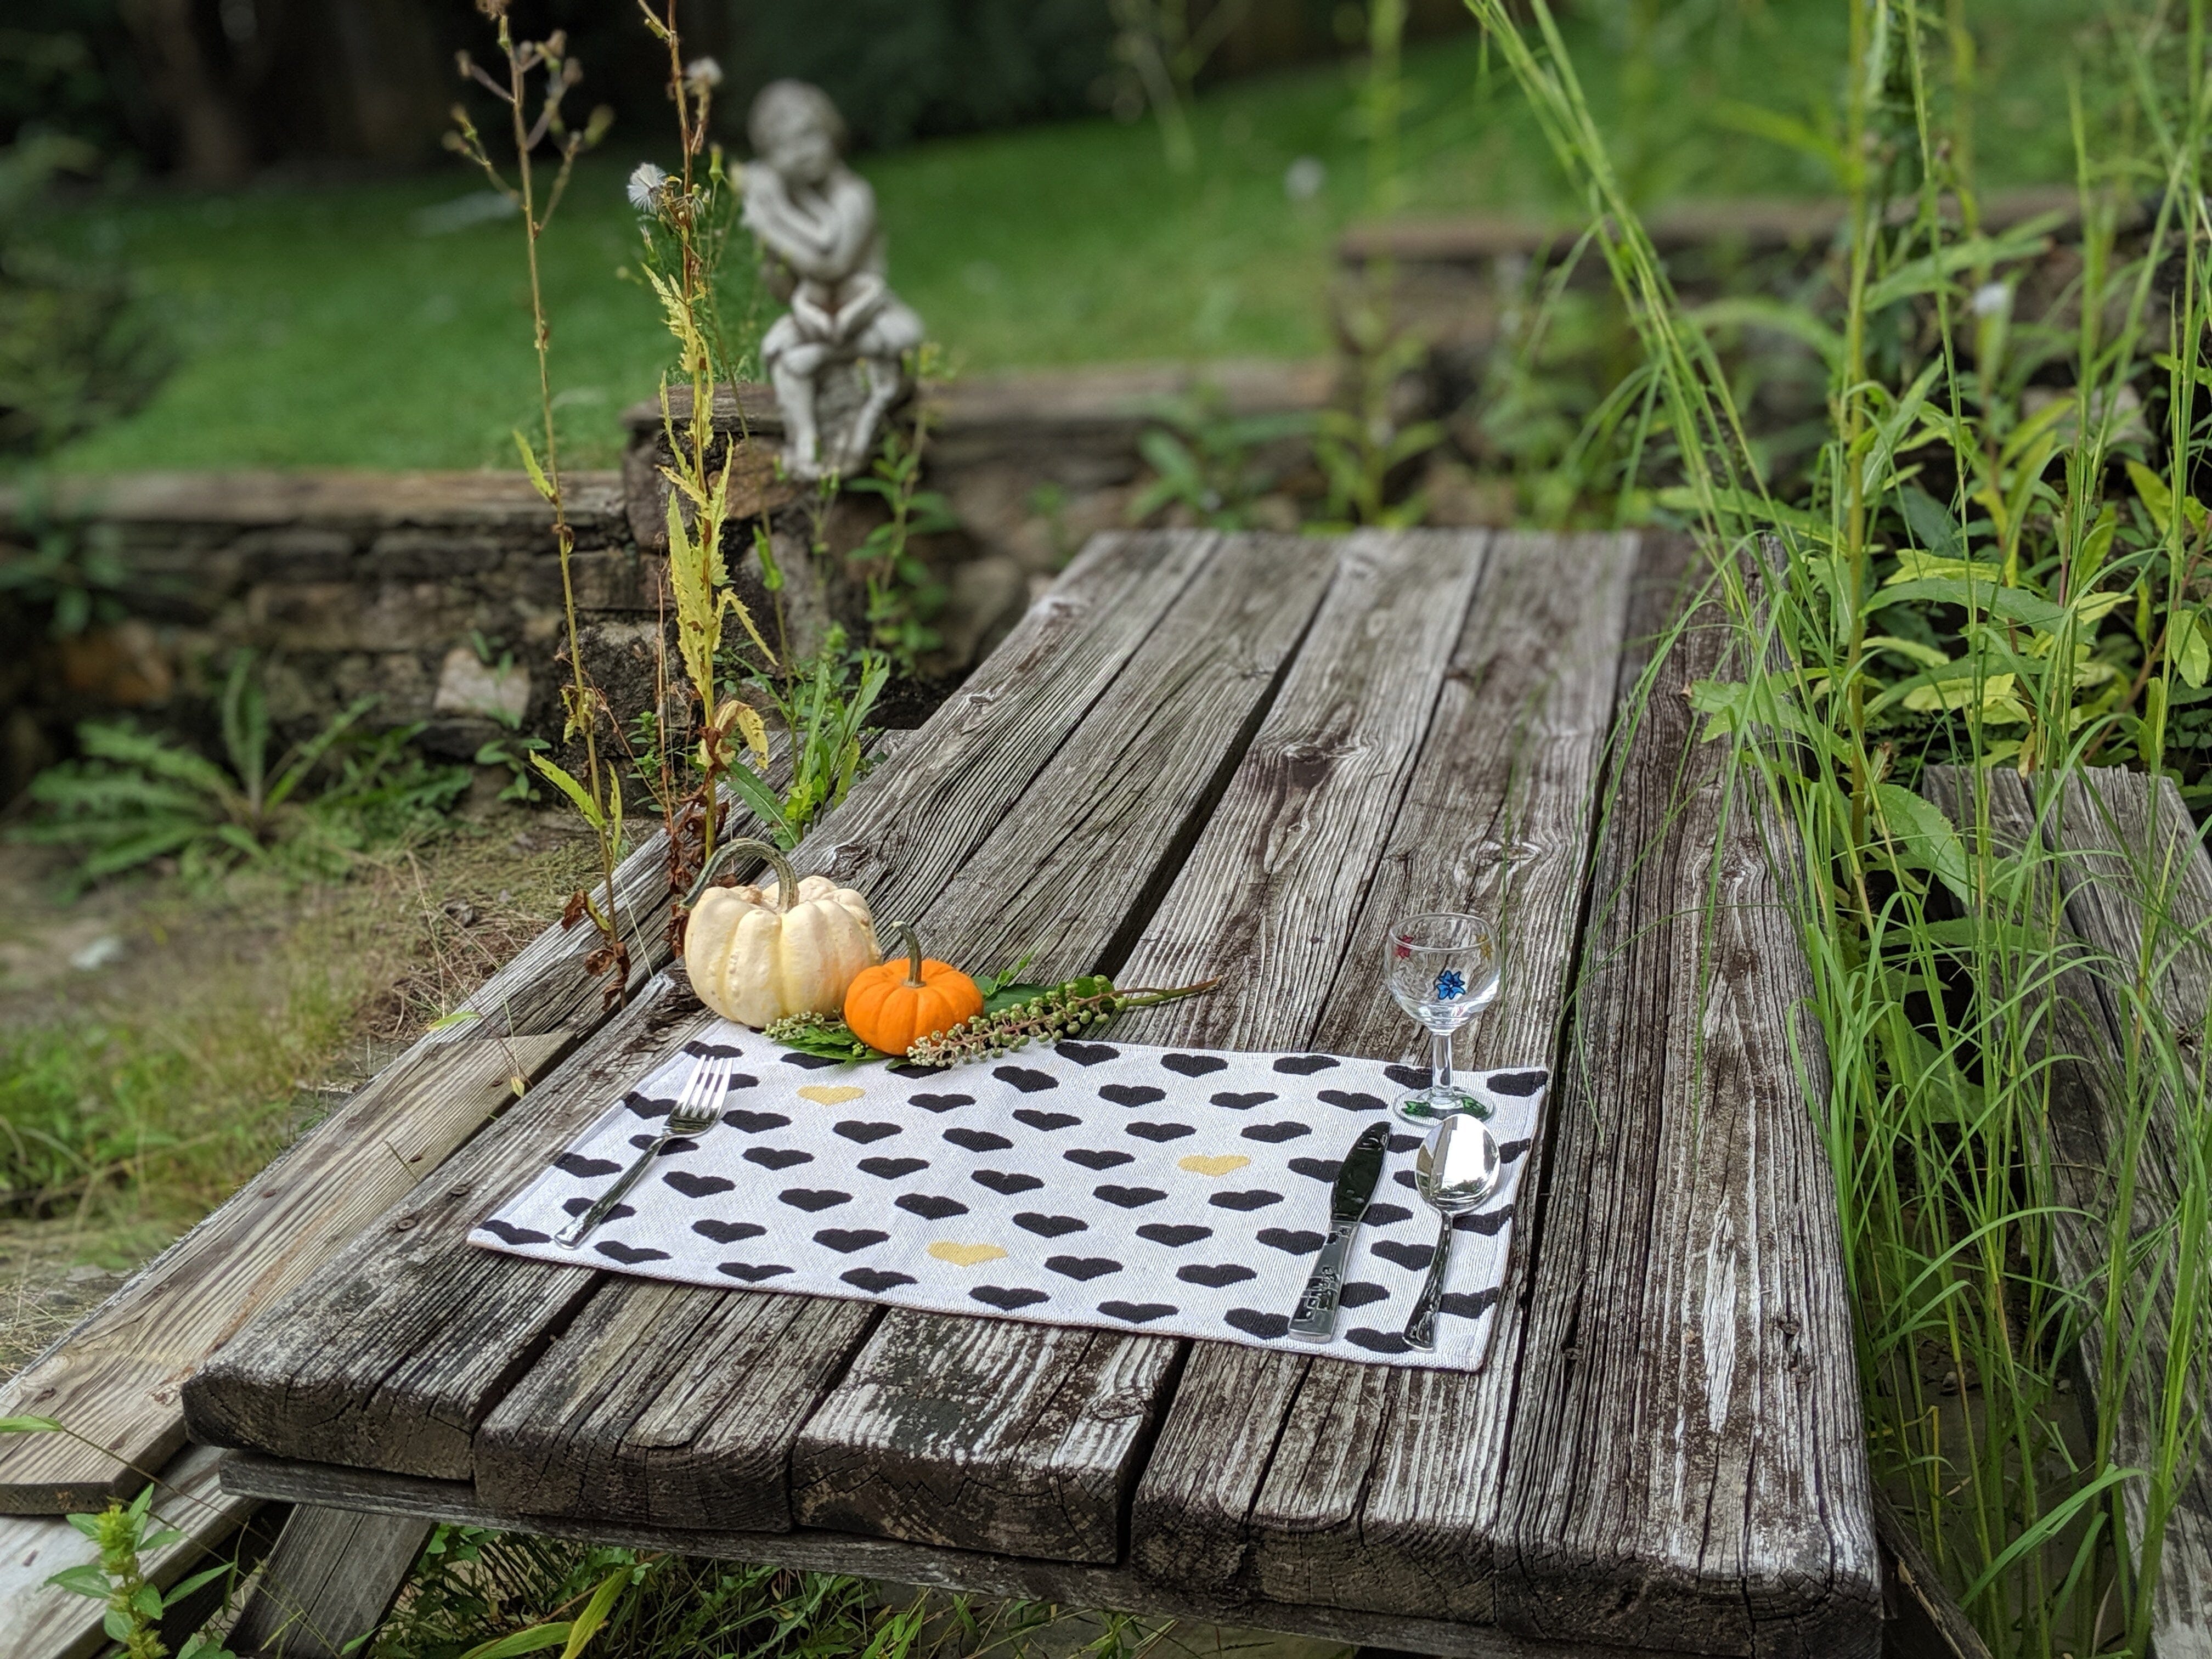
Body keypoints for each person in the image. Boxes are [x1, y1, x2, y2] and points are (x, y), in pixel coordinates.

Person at [742, 81, 924, 480]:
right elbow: (783, 286)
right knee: (780, 352)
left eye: (809, 135)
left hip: (866, 311)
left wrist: (767, 219)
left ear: (831, 130)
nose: (802, 152)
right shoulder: (797, 200)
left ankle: (830, 363)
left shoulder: (854, 195)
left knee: (901, 334)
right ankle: (805, 442)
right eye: (784, 146)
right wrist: (772, 223)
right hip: (816, 316)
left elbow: (833, 264)